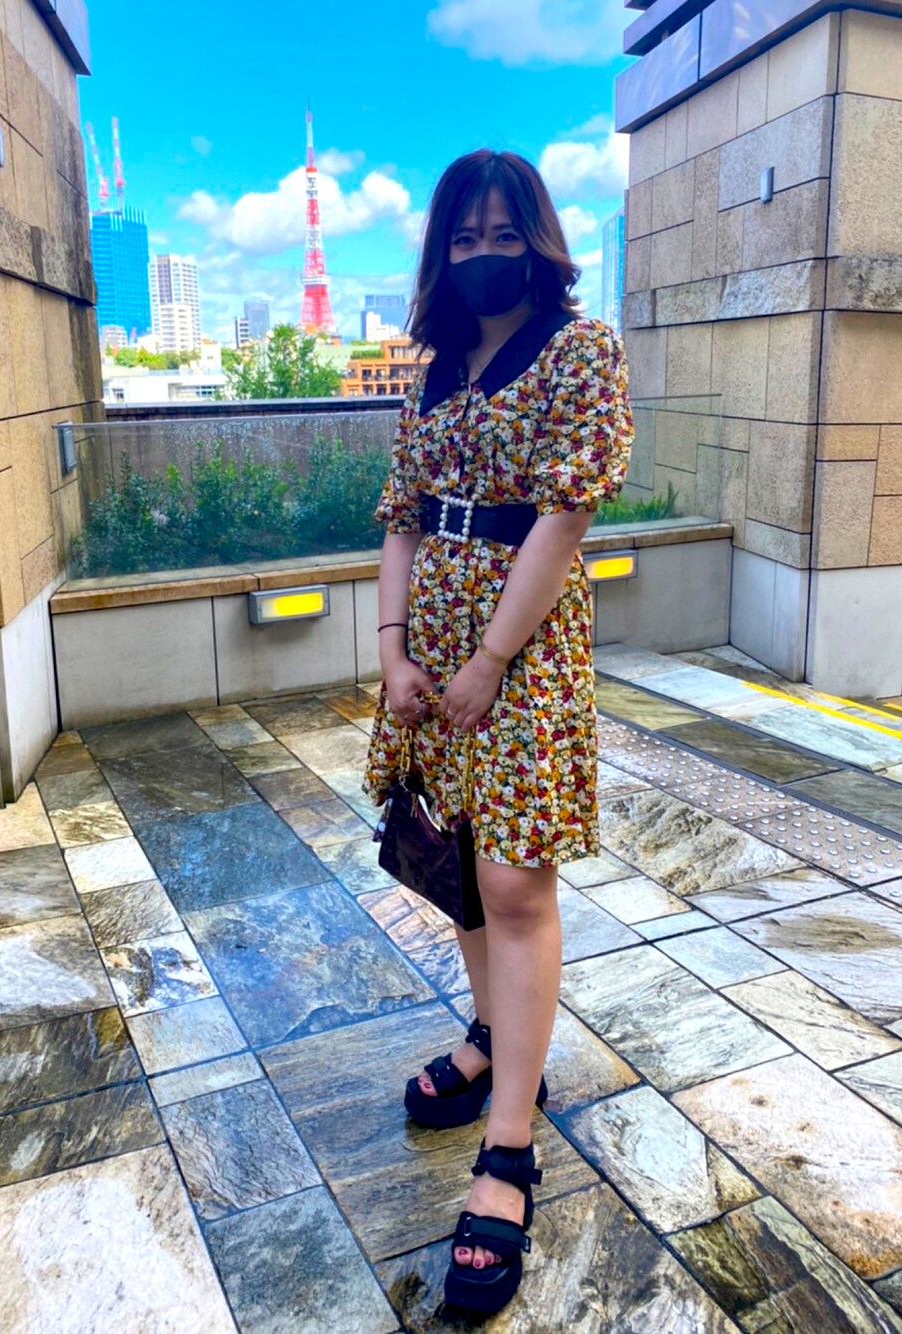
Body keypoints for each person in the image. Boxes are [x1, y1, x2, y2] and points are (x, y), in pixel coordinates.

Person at [363, 148, 634, 1313]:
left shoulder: (580, 351)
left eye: (502, 232)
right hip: (431, 650)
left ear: (538, 238)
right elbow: (402, 517)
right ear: (443, 251)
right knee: (462, 861)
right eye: (464, 237)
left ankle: (509, 1147)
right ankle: (489, 1032)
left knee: (516, 880)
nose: (484, 254)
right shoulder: (429, 370)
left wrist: (486, 662)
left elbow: (563, 514)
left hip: (521, 649)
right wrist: (393, 650)